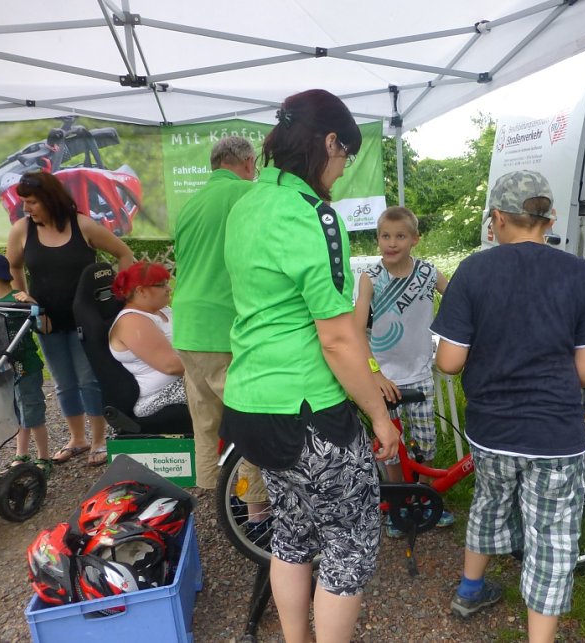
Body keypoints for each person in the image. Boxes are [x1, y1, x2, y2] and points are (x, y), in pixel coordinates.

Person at [221, 88, 399, 643]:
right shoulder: (312, 215)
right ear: (328, 142)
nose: (342, 172)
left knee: (293, 533)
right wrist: (379, 414)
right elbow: (339, 338)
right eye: (344, 156)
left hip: (251, 402)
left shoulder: (248, 201)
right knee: (346, 544)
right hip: (307, 412)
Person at [431, 170, 585, 643]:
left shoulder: (473, 270)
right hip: (554, 434)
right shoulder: (578, 272)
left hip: (490, 431)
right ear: (549, 218)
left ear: (497, 218)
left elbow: (450, 362)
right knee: (551, 537)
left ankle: (470, 588)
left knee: (490, 503)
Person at [6, 172, 134, 466]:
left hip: (85, 320)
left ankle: (100, 440)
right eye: (24, 201)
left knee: (89, 380)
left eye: (32, 202)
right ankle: (78, 439)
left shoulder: (83, 225)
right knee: (63, 382)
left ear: (50, 199)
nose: (26, 208)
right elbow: (13, 267)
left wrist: (117, 296)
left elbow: (123, 254)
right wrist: (26, 303)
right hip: (47, 322)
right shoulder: (21, 230)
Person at [172, 135, 264, 497]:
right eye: (254, 166)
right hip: (222, 325)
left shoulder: (190, 204)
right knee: (254, 417)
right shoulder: (245, 194)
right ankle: (254, 506)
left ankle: (211, 492)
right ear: (246, 162)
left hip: (186, 325)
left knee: (205, 420)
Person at [353, 205, 452, 537]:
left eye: (400, 236)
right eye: (385, 236)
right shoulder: (371, 278)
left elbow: (457, 299)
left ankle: (423, 499)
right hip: (383, 378)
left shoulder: (427, 272)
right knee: (390, 446)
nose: (391, 243)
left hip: (421, 373)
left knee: (426, 444)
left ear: (414, 239)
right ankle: (398, 505)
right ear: (378, 238)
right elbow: (355, 332)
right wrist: (375, 374)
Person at [0, 251, 51, 477]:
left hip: (24, 366)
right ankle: (21, 453)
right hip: (2, 370)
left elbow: (46, 328)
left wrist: (34, 305)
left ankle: (44, 457)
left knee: (32, 410)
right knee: (14, 410)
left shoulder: (19, 300)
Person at [109, 261, 187, 417]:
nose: (169, 288)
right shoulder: (132, 321)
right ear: (141, 291)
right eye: (162, 285)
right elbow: (171, 365)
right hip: (158, 396)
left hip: (181, 384)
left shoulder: (162, 311)